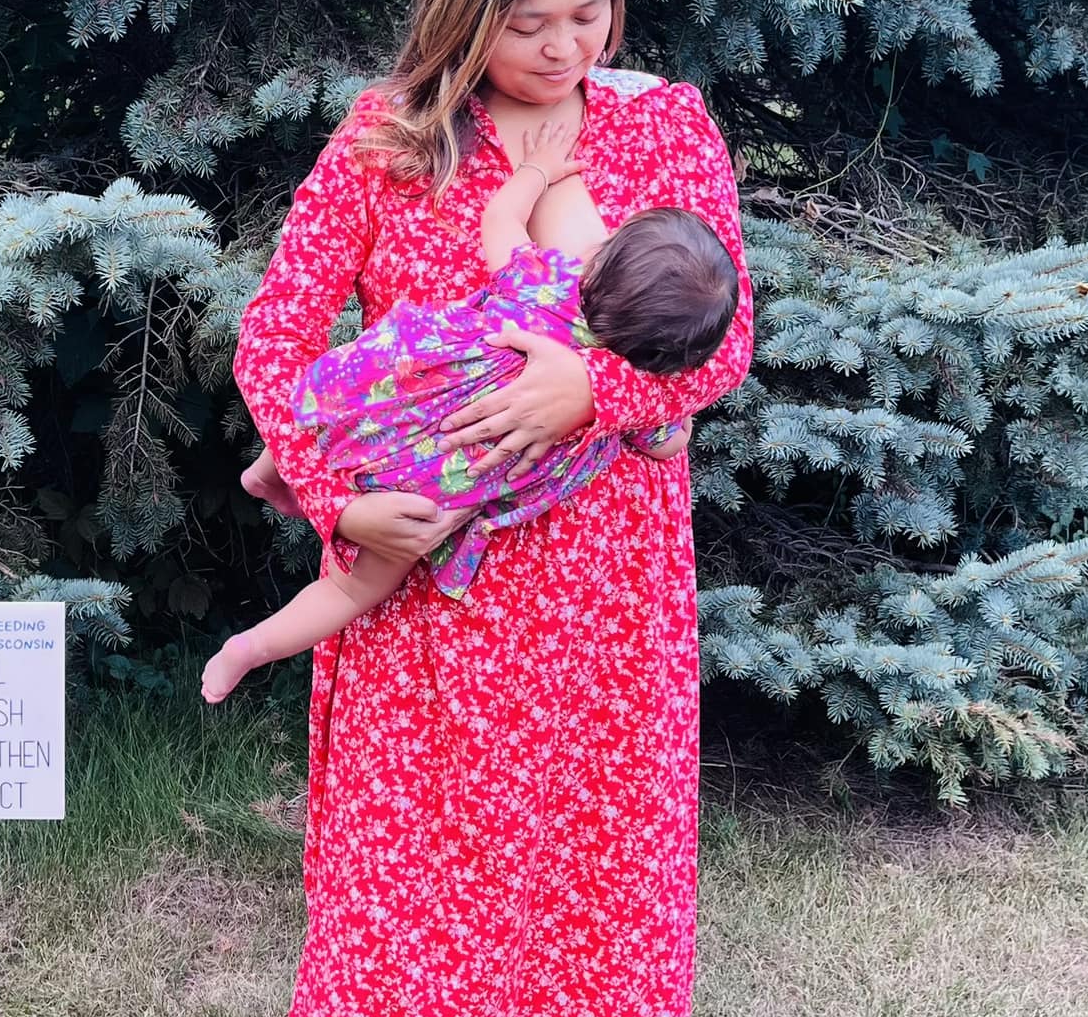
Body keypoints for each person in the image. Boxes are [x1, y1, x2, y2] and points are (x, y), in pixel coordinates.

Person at [231, 0, 754, 1017]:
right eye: (531, 25)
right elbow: (278, 335)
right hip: (426, 590)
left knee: (575, 860)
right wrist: (341, 510)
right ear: (469, 14)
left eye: (589, 15)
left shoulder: (664, 126)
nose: (567, 50)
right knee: (389, 880)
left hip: (602, 588)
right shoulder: (390, 136)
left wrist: (601, 387)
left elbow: (717, 338)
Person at [201, 108, 736, 704]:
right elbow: (661, 437)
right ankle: (250, 648)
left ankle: (269, 468)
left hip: (385, 409)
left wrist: (536, 170)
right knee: (355, 591)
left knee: (327, 400)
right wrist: (667, 426)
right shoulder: (630, 379)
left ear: (601, 259)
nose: (560, 46)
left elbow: (501, 217)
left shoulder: (542, 285)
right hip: (436, 492)